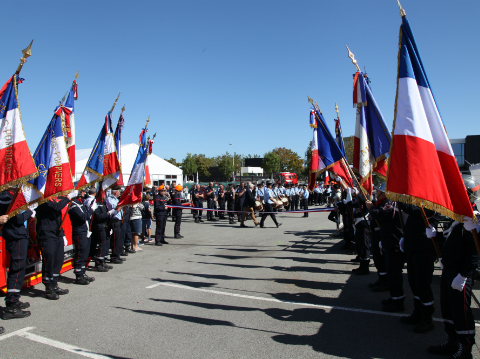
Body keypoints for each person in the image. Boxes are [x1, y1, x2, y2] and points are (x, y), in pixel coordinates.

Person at [428, 175, 480, 358]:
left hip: (460, 274)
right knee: (448, 307)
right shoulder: (457, 217)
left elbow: (474, 253)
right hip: (449, 269)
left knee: (461, 312)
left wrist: (464, 275)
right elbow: (453, 242)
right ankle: (452, 341)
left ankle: (465, 348)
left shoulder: (473, 219)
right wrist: (436, 236)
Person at [398, 203, 438, 333]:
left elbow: (413, 209)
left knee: (423, 284)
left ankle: (427, 318)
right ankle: (418, 312)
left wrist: (399, 198)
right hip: (413, 248)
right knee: (414, 283)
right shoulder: (417, 205)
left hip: (424, 250)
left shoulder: (431, 205)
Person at [367, 183, 405, 312]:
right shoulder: (385, 202)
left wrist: (371, 208)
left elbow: (383, 215)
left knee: (394, 273)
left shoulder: (390, 202)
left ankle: (398, 301)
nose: (376, 193)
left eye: (378, 191)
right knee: (390, 271)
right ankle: (395, 297)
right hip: (387, 240)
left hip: (393, 241)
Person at [36, 191, 77, 299]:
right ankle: (48, 286)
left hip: (57, 234)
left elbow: (59, 218)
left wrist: (62, 234)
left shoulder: (52, 200)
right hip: (46, 235)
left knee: (58, 260)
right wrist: (68, 197)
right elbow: (57, 207)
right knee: (49, 261)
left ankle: (54, 283)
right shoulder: (42, 201)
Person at [0, 188, 32, 319]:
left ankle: (14, 299)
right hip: (15, 236)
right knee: (17, 270)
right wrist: (29, 211)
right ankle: (11, 305)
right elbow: (18, 219)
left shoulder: (12, 195)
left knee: (19, 270)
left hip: (18, 235)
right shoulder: (7, 197)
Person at [69, 191, 95, 285]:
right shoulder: (73, 205)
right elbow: (84, 217)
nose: (84, 194)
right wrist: (92, 210)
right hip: (79, 232)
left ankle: (83, 273)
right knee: (80, 253)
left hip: (86, 231)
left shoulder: (80, 203)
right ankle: (78, 275)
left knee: (85, 253)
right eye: (82, 192)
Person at [90, 194, 114, 272]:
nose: (105, 195)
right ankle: (98, 263)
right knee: (101, 244)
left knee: (104, 244)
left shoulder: (102, 203)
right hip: (99, 225)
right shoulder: (96, 203)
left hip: (104, 225)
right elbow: (98, 217)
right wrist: (108, 213)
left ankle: (102, 261)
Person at [106, 188, 125, 264]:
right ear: (115, 192)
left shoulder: (117, 199)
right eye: (119, 191)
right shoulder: (110, 199)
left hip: (119, 220)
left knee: (119, 238)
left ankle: (117, 254)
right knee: (115, 239)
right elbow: (115, 207)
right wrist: (123, 203)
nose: (119, 193)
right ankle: (114, 257)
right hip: (114, 220)